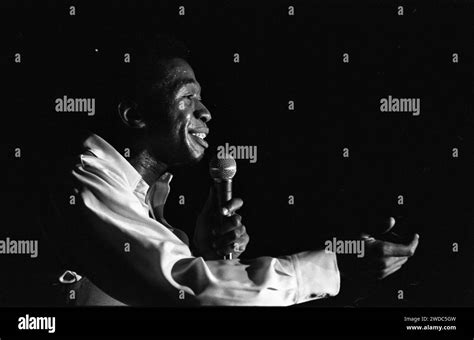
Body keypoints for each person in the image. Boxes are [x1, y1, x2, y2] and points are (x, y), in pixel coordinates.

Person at [46, 35, 419, 306]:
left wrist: (207, 256)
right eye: (188, 97)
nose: (205, 112)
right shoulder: (85, 180)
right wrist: (333, 268)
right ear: (134, 115)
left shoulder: (141, 196)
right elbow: (190, 290)